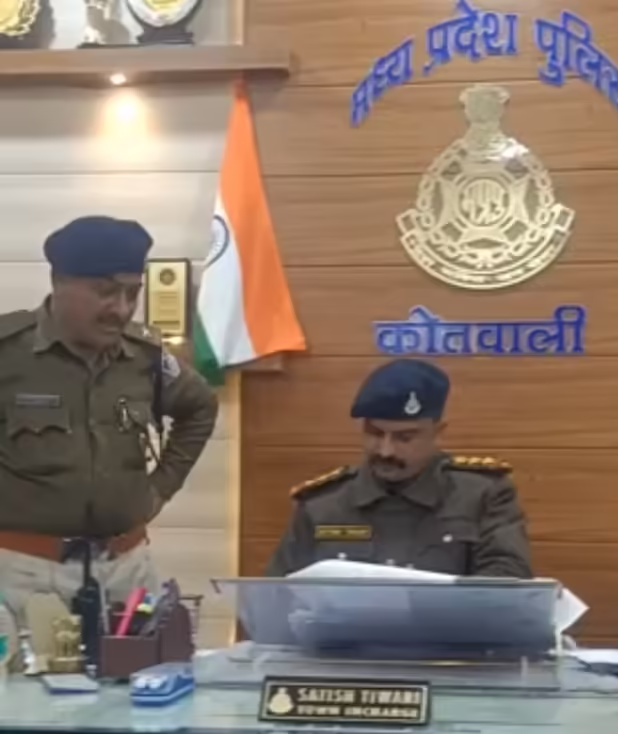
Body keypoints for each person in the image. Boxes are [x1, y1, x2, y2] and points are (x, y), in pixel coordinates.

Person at [0, 215, 218, 645]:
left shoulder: (145, 357)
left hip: (126, 573)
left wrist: (161, 488)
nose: (120, 308)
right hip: (22, 575)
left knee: (139, 684)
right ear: (59, 282)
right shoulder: (8, 354)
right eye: (104, 291)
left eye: (132, 293)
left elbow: (200, 407)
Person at [267, 359, 532, 578]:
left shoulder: (481, 496)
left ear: (437, 433)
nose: (386, 451)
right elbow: (278, 595)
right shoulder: (323, 504)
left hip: (449, 628)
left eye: (404, 438)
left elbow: (506, 585)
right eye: (375, 434)